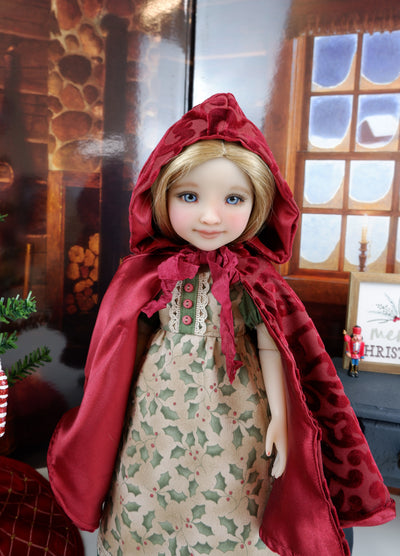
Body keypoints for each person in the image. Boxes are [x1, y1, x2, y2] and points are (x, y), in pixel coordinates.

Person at [47, 93, 395, 556]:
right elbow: (120, 343)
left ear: (259, 204)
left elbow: (274, 346)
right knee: (149, 479)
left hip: (237, 405)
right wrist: (106, 403)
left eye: (233, 199)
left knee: (233, 486)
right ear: (160, 197)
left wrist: (281, 416)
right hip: (156, 406)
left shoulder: (254, 278)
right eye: (189, 197)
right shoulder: (146, 273)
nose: (210, 216)